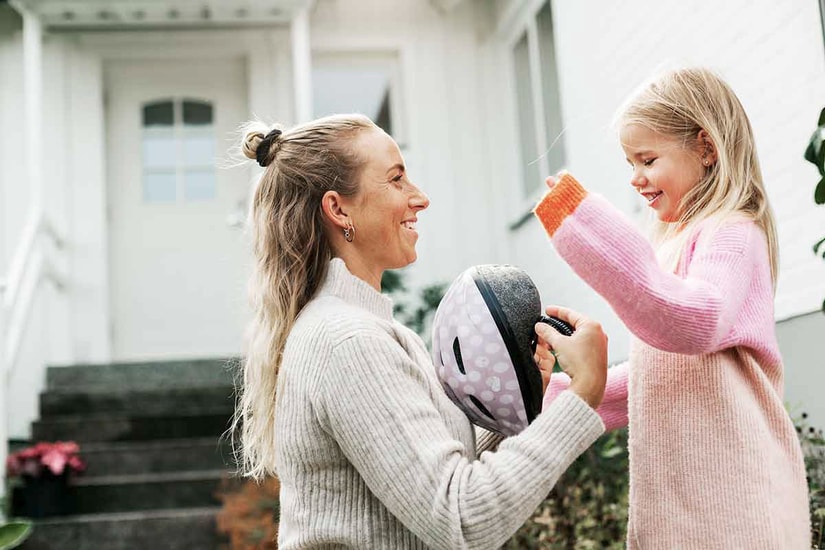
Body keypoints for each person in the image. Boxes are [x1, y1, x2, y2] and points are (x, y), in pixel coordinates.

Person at [231, 113, 609, 549]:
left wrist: (521, 402)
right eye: (396, 180)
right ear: (338, 209)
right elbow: (460, 520)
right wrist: (583, 392)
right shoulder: (347, 341)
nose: (421, 198)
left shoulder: (378, 332)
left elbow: (428, 480)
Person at [532, 67, 810, 548]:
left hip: (739, 514)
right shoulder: (672, 246)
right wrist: (550, 393)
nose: (635, 178)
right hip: (683, 518)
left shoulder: (732, 233)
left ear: (706, 148)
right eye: (629, 162)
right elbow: (654, 377)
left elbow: (694, 321)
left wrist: (587, 231)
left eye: (647, 159)